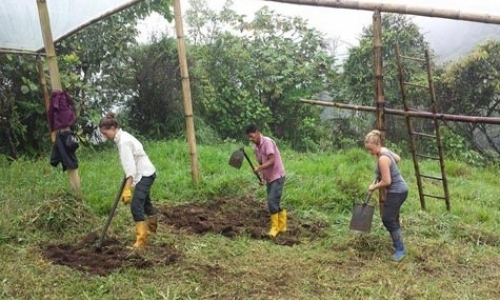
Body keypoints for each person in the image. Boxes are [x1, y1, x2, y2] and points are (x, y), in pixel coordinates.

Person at [99, 113, 158, 249]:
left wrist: (127, 189)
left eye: (105, 132)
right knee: (145, 203)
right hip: (146, 172)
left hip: (144, 174)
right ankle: (152, 230)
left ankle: (141, 241)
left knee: (136, 206)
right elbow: (130, 166)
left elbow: (130, 170)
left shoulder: (124, 142)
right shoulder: (122, 138)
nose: (104, 136)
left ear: (113, 128)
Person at [364, 129, 408, 261]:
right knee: (392, 218)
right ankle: (398, 241)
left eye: (371, 149)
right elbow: (398, 159)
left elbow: (387, 181)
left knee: (387, 219)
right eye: (368, 150)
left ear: (377, 145)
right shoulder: (384, 150)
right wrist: (382, 174)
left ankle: (400, 249)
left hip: (397, 190)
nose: (370, 153)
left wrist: (373, 186)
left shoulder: (382, 158)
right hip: (401, 189)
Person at [245, 124, 286, 238]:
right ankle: (282, 226)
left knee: (271, 201)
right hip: (269, 178)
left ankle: (275, 228)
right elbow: (262, 164)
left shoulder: (267, 142)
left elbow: (272, 161)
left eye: (252, 136)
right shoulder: (256, 148)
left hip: (277, 176)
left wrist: (259, 169)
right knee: (274, 202)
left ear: (257, 132)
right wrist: (262, 178)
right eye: (249, 137)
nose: (251, 139)